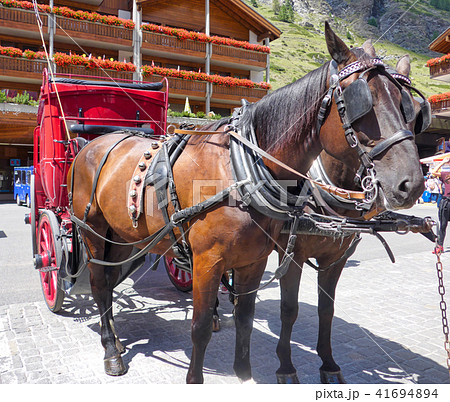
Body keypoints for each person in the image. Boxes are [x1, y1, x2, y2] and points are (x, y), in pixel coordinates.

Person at [430, 157, 450, 254]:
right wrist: (442, 162)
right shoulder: (446, 174)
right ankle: (440, 246)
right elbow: (433, 172)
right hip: (446, 201)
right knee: (442, 225)